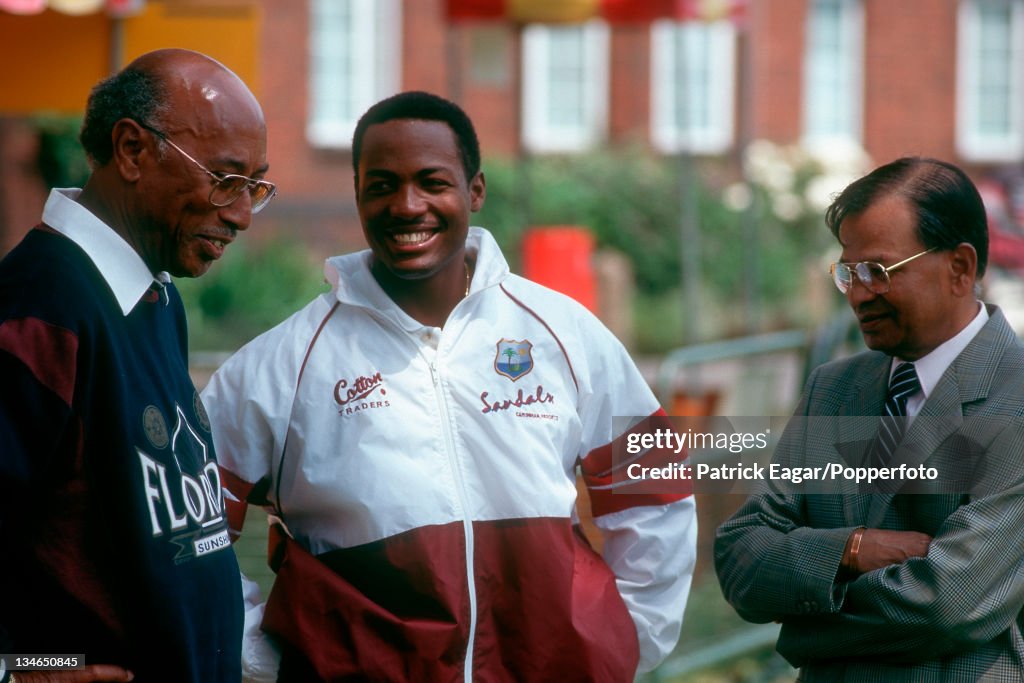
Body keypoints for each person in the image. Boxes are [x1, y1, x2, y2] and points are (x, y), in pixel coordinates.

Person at [201, 91, 696, 681]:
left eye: (432, 182)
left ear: (475, 191)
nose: (407, 206)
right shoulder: (282, 363)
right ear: (357, 194)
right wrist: (257, 654)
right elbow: (186, 532)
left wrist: (628, 637)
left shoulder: (561, 331)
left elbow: (654, 485)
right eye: (381, 185)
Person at [0, 48, 275, 683]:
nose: (240, 214)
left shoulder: (156, 295)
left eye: (255, 187)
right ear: (131, 150)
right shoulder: (38, 312)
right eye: (226, 179)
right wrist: (22, 669)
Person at [715, 157, 1024, 680]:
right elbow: (741, 555)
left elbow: (944, 603)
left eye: (879, 271)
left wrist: (802, 629)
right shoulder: (834, 390)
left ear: (960, 268)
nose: (858, 294)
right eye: (848, 272)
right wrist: (851, 550)